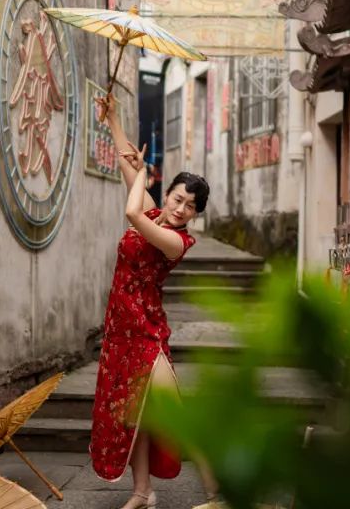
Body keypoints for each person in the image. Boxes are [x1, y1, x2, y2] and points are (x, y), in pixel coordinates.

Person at [90, 94, 217, 509]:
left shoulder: (175, 241)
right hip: (120, 331)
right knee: (134, 417)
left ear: (195, 215)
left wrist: (143, 175)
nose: (181, 209)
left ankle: (217, 494)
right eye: (178, 199)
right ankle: (142, 492)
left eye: (190, 207)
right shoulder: (154, 211)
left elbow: (132, 213)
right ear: (169, 195)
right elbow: (130, 170)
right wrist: (113, 120)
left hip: (146, 334)